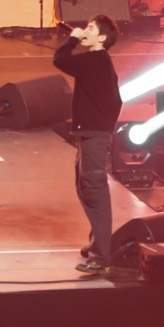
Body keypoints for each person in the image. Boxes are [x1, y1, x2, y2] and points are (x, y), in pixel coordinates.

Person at [53, 14, 123, 274]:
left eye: (90, 28)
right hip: (90, 134)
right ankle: (98, 244)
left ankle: (101, 255)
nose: (85, 30)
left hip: (94, 135)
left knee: (94, 190)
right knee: (85, 188)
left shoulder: (97, 60)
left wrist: (72, 39)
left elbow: (60, 59)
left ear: (101, 38)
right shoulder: (96, 62)